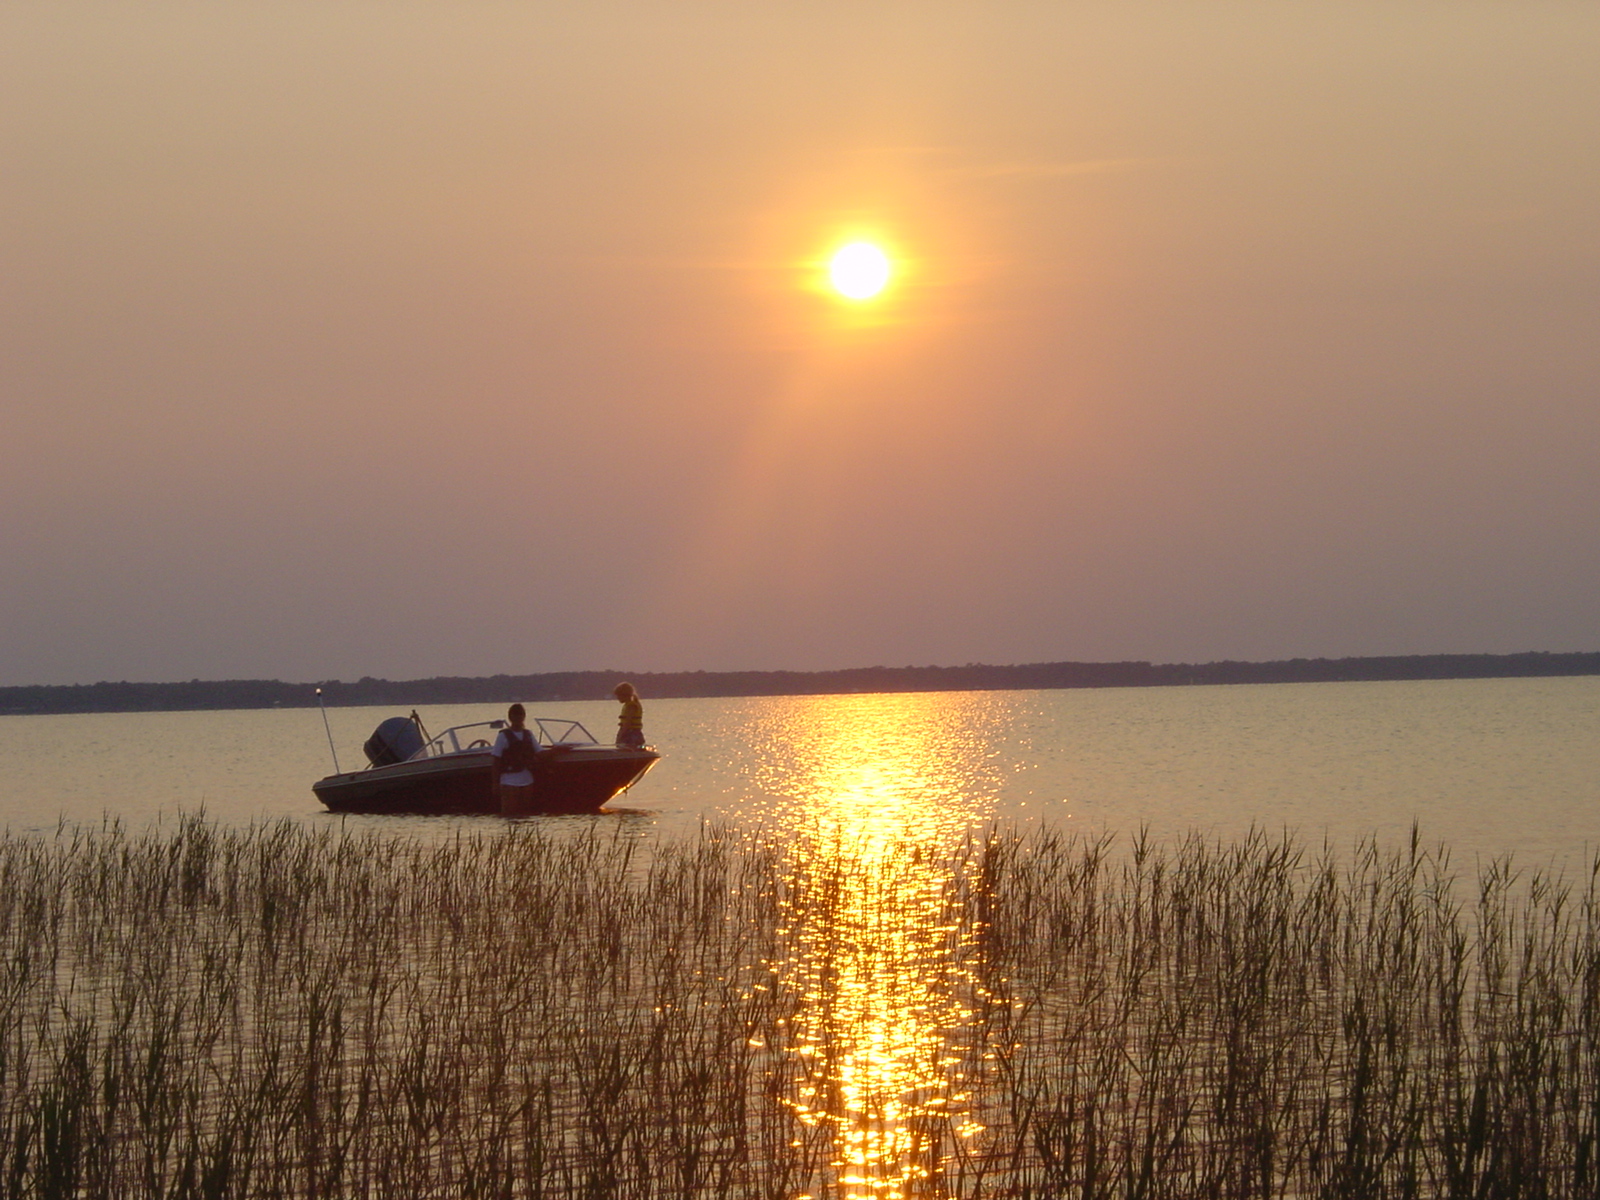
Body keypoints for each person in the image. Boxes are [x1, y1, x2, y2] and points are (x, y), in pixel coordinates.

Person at [491, 703, 540, 815]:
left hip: (527, 780)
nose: (518, 717)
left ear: (524, 716)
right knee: (509, 815)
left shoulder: (528, 734)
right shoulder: (503, 736)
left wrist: (558, 750)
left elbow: (540, 752)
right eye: (515, 715)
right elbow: (496, 761)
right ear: (510, 717)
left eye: (520, 714)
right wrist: (495, 783)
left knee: (526, 814)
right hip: (508, 781)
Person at [613, 682, 646, 749]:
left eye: (619, 696)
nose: (617, 698)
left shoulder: (631, 706)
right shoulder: (630, 704)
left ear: (625, 695)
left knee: (625, 749)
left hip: (630, 734)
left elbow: (627, 722)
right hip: (635, 733)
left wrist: (621, 736)